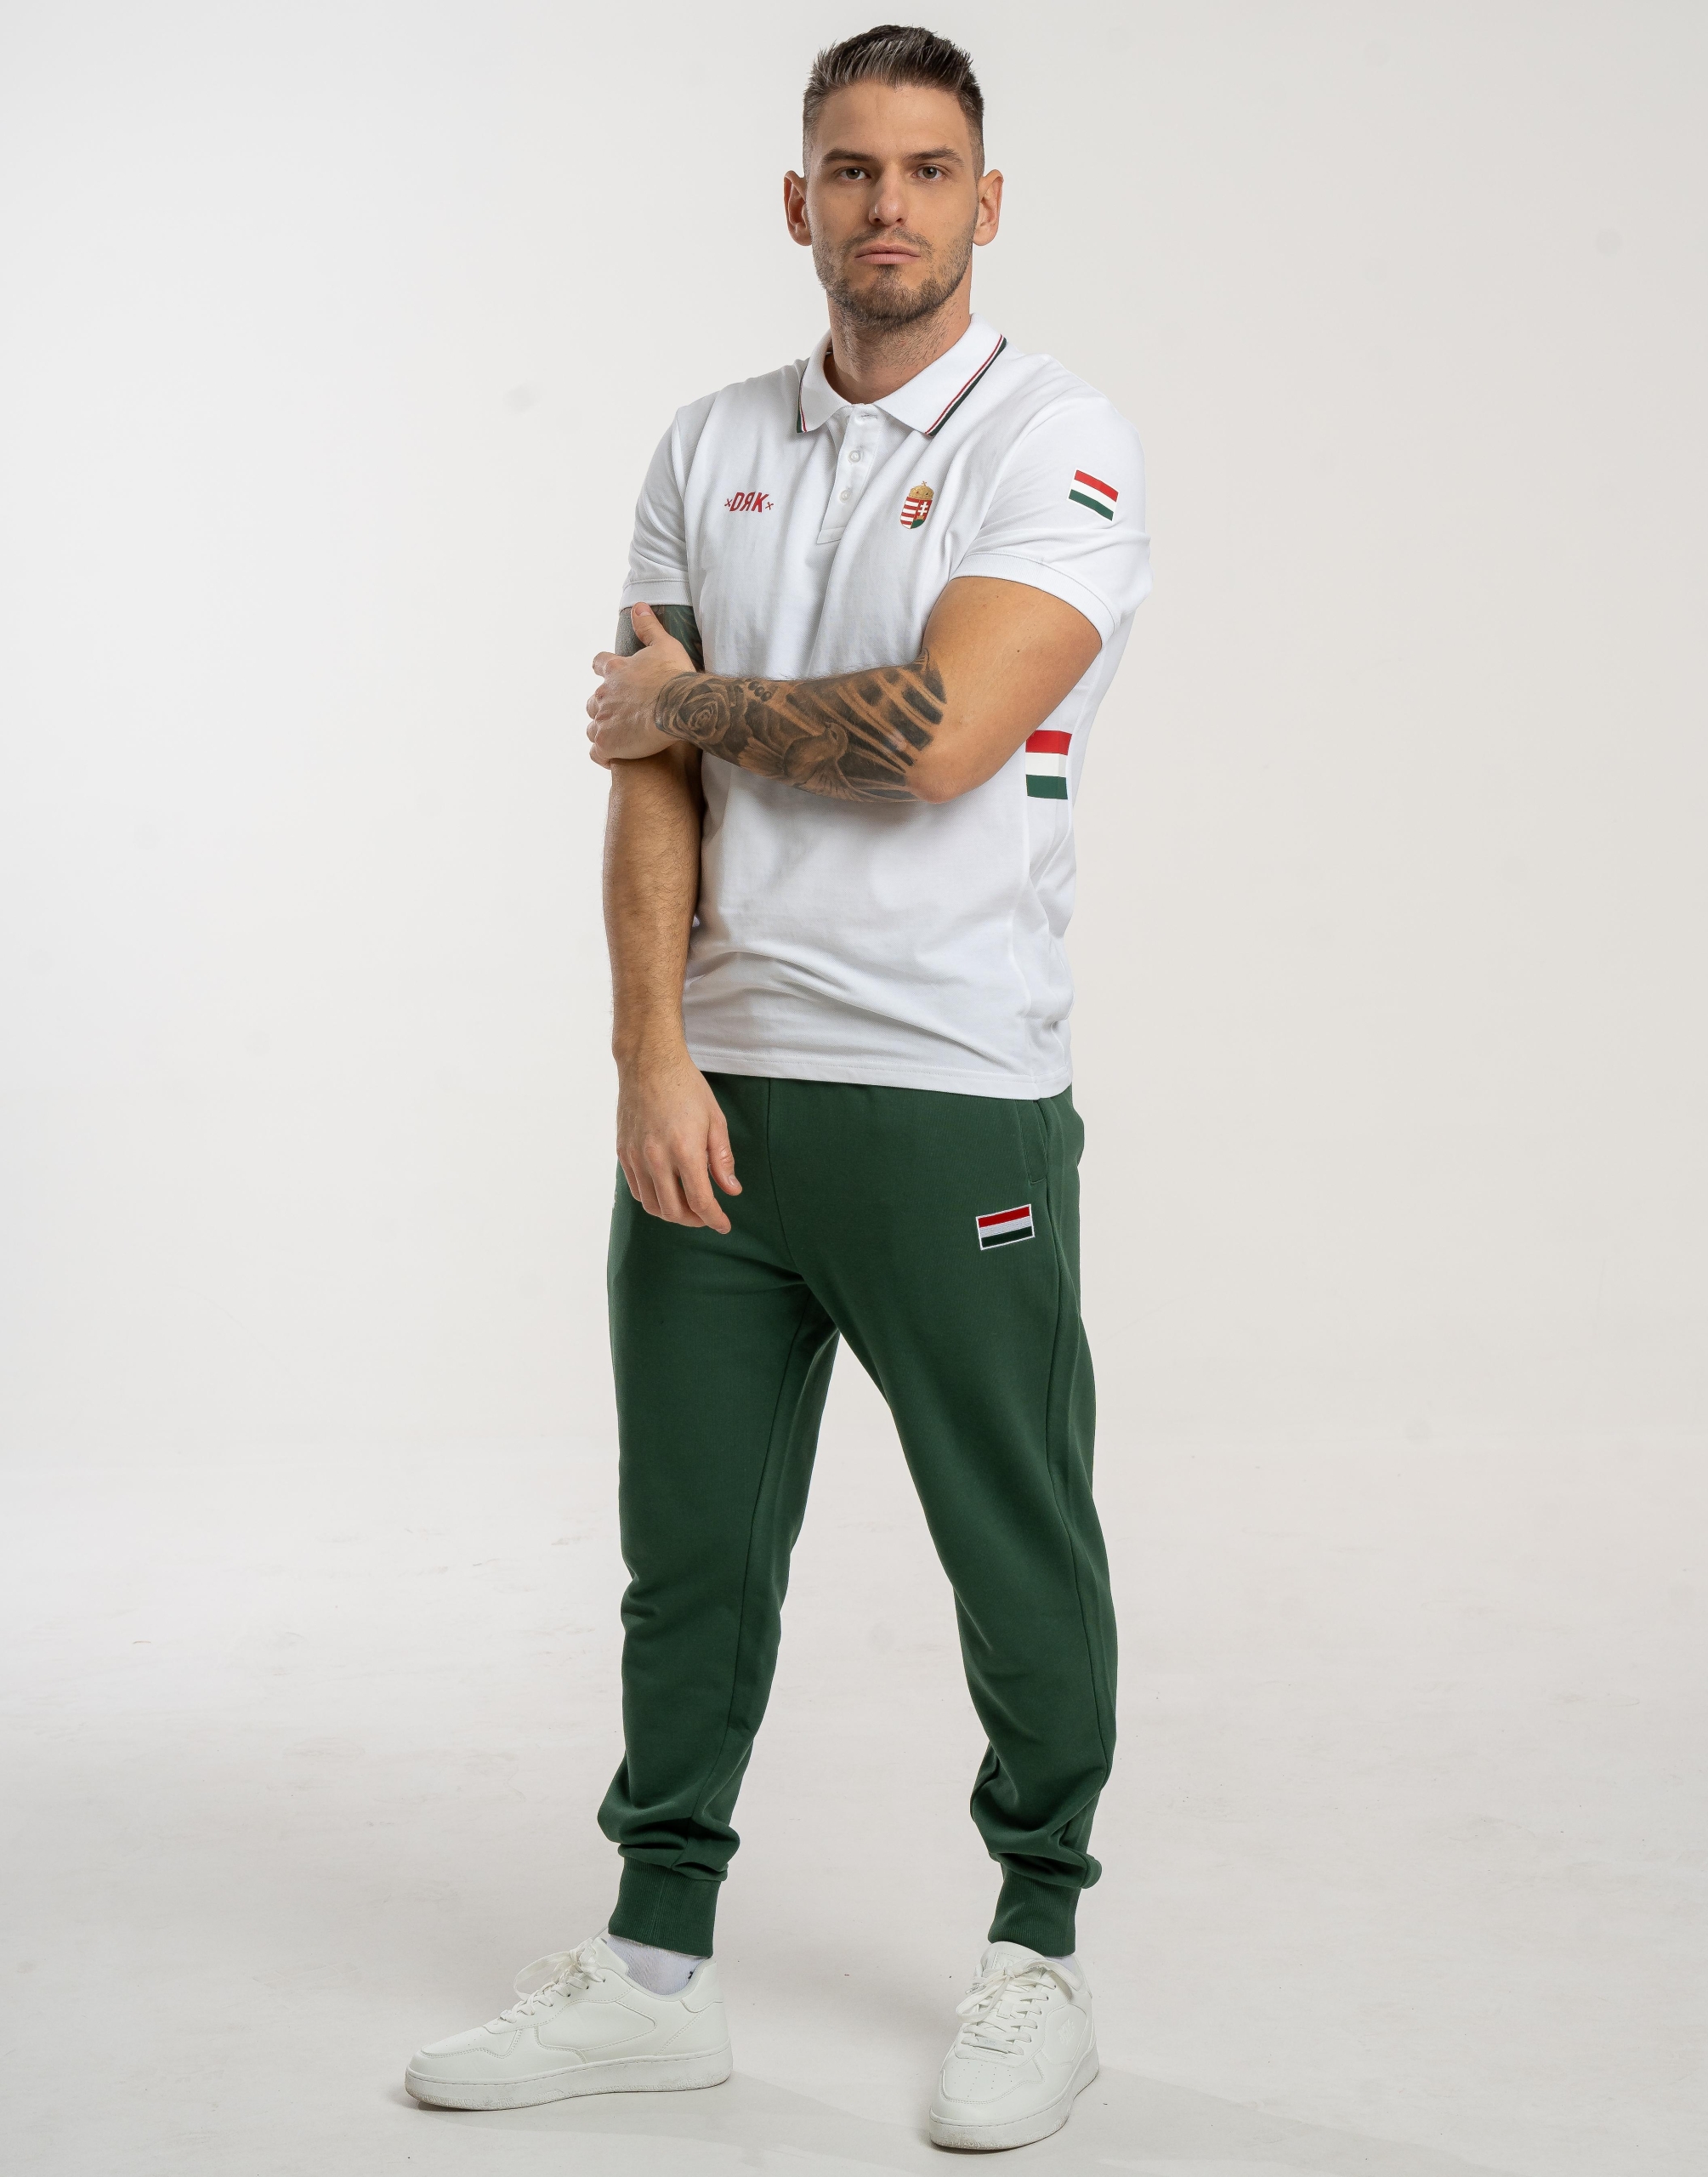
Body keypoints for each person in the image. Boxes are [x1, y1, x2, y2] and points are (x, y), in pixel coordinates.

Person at [405, 22, 1149, 2152]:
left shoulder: (1052, 436)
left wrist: (693, 698)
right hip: (716, 1094)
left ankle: (1036, 1944)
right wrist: (648, 1047)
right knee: (688, 1555)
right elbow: (645, 777)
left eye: (924, 169)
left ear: (984, 202)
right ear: (796, 197)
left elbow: (938, 733)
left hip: (949, 1088)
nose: (885, 205)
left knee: (1013, 1537)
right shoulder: (706, 442)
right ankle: (654, 1966)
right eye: (848, 167)